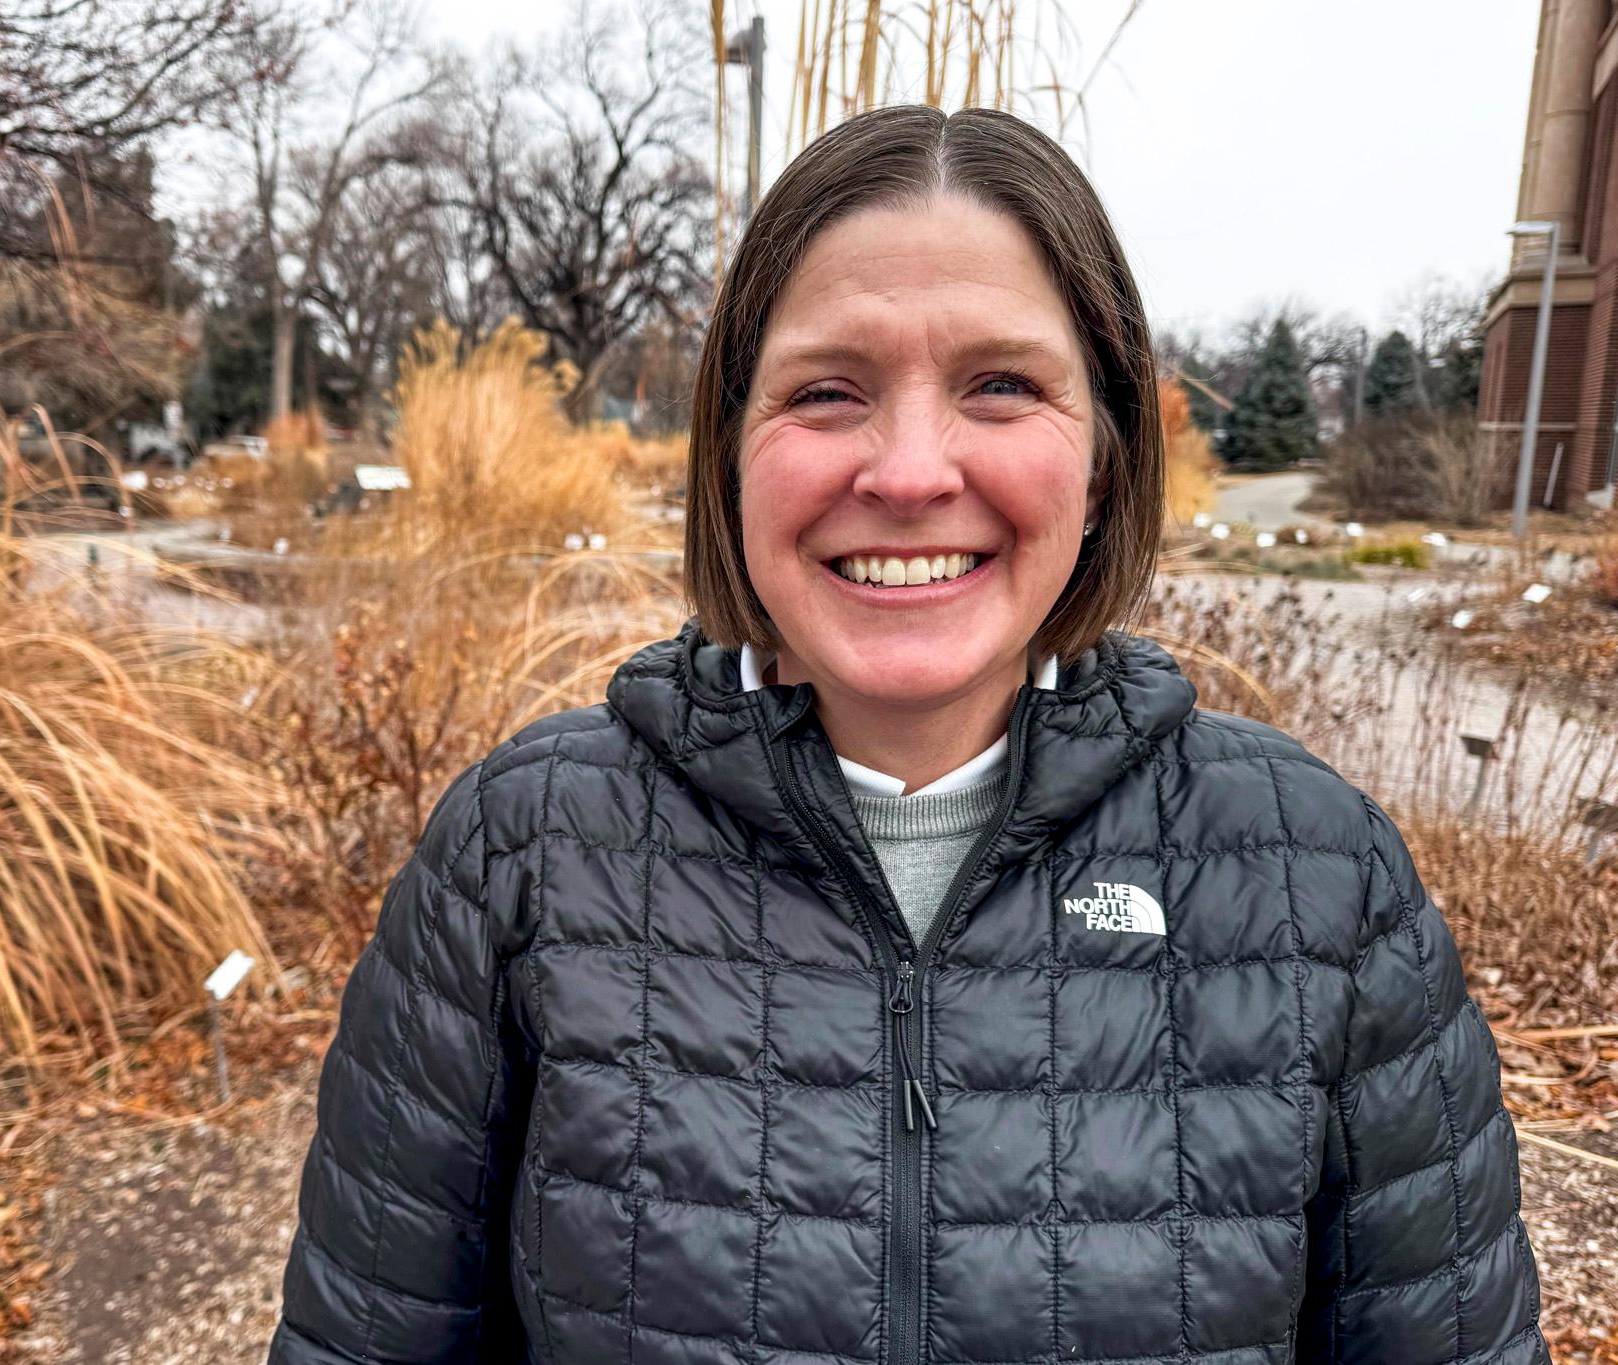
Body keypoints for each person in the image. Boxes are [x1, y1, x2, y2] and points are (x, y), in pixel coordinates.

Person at [267, 104, 1547, 1365]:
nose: (908, 471)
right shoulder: (521, 854)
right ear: (727, 455)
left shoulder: (1311, 874)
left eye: (1000, 385)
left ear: (1102, 461)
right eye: (827, 391)